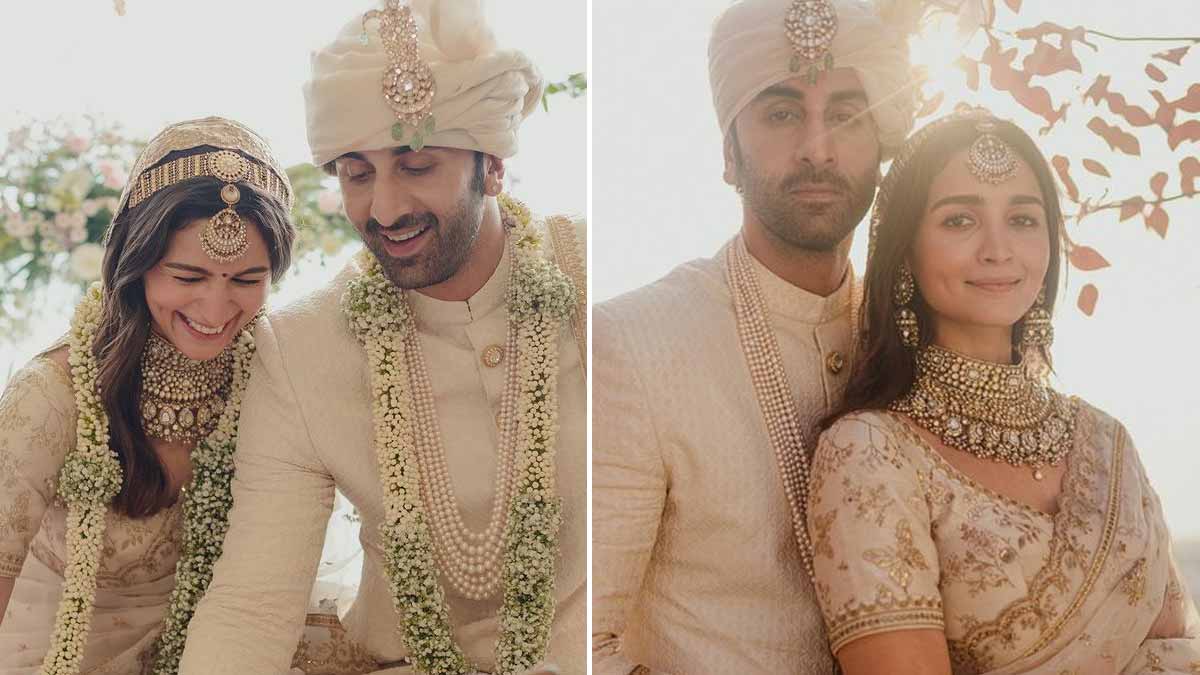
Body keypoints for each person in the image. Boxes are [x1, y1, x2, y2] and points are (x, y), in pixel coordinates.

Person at [177, 1, 587, 674]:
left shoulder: (585, 275)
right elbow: (251, 605)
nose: (385, 209)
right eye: (358, 174)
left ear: (491, 164)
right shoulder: (303, 347)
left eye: (417, 164)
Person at [591, 0, 923, 671]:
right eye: (779, 113)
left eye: (847, 114)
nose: (818, 147)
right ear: (728, 153)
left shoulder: (913, 338)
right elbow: (584, 640)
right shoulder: (635, 343)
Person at [808, 107, 1200, 674]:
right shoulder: (868, 452)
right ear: (905, 254)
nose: (998, 249)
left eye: (1022, 219)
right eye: (959, 221)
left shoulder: (1108, 443)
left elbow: (1176, 649)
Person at [0, 116, 296, 674]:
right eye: (188, 277)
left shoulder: (272, 377)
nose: (216, 309)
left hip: (224, 646)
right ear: (133, 266)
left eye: (245, 279)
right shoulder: (52, 397)